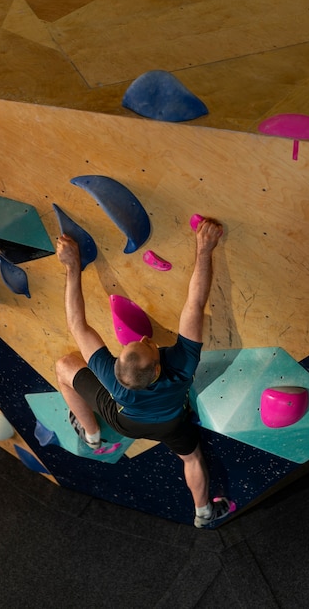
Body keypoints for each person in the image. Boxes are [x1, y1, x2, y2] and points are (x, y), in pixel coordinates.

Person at [55, 218, 234, 528]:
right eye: (147, 343)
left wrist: (72, 268)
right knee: (191, 458)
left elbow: (77, 325)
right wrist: (204, 249)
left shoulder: (111, 378)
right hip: (171, 424)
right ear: (157, 368)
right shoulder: (182, 364)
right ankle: (203, 512)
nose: (143, 338)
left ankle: (92, 434)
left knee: (64, 367)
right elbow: (195, 303)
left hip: (126, 422)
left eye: (142, 342)